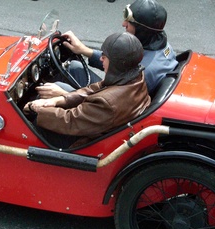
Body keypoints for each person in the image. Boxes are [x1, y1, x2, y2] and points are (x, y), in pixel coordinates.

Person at [24, 32, 151, 149]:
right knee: (57, 88)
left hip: (86, 142)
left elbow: (70, 121)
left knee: (31, 124)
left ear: (116, 63)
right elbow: (97, 87)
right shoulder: (134, 76)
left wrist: (36, 109)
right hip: (102, 126)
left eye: (105, 56)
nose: (101, 58)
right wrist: (59, 100)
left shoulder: (107, 103)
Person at [37, 0, 177, 98]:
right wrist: (84, 50)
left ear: (142, 30)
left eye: (129, 22)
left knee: (55, 87)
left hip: (112, 112)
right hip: (119, 95)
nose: (124, 24)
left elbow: (111, 106)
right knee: (74, 67)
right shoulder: (161, 46)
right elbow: (119, 62)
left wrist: (65, 95)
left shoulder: (143, 73)